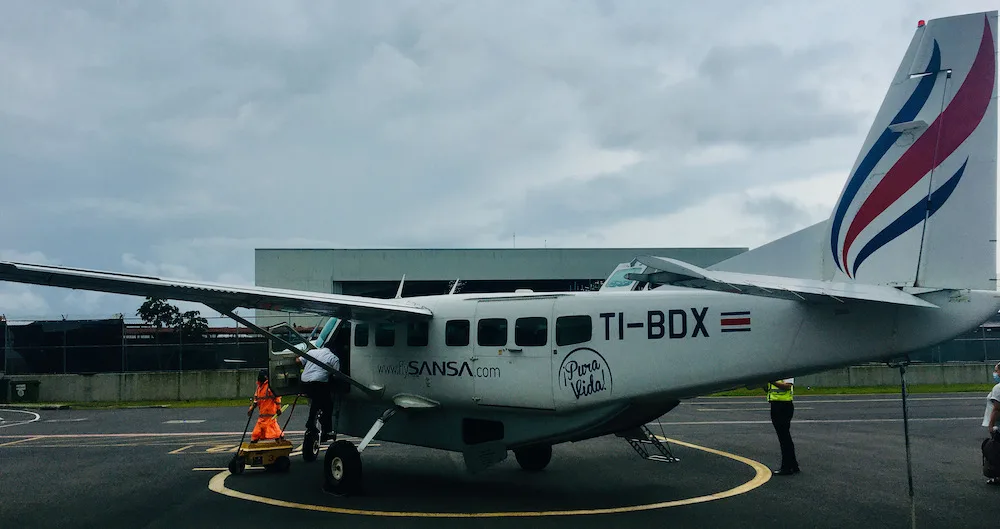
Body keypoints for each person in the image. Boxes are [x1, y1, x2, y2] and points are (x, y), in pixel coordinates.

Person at [297, 346, 340, 442]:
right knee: (328, 406)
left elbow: (298, 361)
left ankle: (314, 423)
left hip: (305, 383)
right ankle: (324, 429)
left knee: (316, 402)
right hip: (319, 383)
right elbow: (336, 375)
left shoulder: (312, 352)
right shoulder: (333, 358)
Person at [767, 377, 799, 475]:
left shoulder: (787, 371)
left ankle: (787, 467)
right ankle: (793, 465)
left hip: (783, 405)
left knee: (784, 437)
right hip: (776, 404)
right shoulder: (776, 373)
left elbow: (787, 386)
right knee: (785, 437)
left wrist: (771, 381)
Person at [248, 369, 283, 442]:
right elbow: (256, 399)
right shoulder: (259, 387)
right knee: (257, 432)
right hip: (263, 415)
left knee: (274, 429)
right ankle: (253, 444)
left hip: (270, 414)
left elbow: (277, 397)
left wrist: (278, 408)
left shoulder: (269, 386)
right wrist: (251, 408)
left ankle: (280, 441)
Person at [982, 362, 1000, 485]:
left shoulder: (998, 388)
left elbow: (997, 408)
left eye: (996, 370)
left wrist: (991, 425)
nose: (995, 373)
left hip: (998, 427)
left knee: (996, 452)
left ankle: (996, 475)